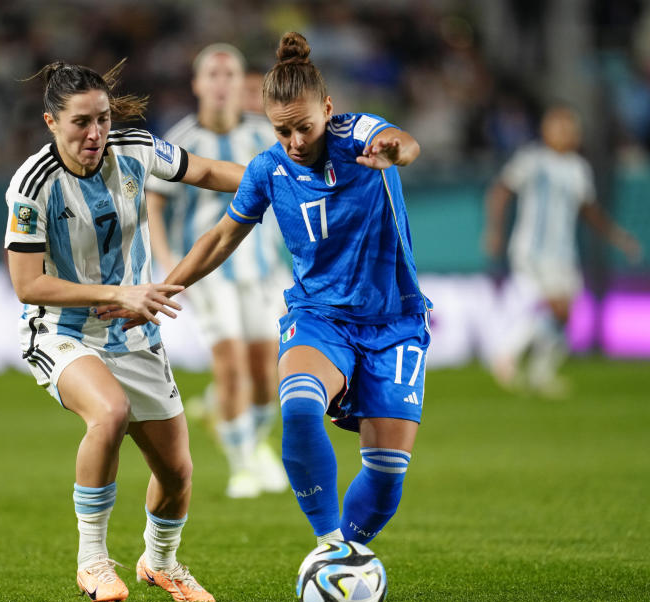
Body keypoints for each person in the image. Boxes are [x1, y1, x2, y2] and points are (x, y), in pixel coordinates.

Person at [103, 32, 430, 549]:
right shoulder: (268, 167)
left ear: (328, 108)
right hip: (319, 315)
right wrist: (165, 289)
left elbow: (407, 143)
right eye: (283, 131)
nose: (296, 141)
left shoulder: (363, 134)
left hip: (395, 322)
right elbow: (220, 237)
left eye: (304, 127)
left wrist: (398, 150)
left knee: (387, 475)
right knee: (297, 405)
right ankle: (328, 546)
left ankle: (350, 546)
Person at [4, 60, 244, 602]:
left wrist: (274, 177)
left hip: (133, 331)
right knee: (108, 413)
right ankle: (92, 561)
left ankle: (161, 564)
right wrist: (119, 294)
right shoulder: (33, 185)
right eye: (80, 123)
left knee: (178, 473)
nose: (95, 134)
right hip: (63, 331)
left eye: (103, 119)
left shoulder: (135, 147)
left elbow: (205, 172)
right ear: (50, 123)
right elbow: (27, 284)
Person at [145, 43, 288, 499]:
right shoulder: (181, 139)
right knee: (230, 366)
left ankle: (248, 437)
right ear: (198, 84)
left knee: (267, 373)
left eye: (231, 74)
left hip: (264, 269)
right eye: (213, 74)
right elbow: (154, 202)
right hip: (207, 272)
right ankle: (242, 463)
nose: (222, 83)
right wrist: (168, 263)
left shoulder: (265, 136)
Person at [484, 105, 642, 397]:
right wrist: (493, 230)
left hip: (563, 252)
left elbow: (589, 210)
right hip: (532, 248)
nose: (566, 134)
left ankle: (540, 373)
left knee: (565, 314)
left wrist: (618, 237)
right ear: (545, 130)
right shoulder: (532, 160)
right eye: (559, 127)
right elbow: (501, 191)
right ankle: (505, 353)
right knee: (554, 306)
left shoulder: (578, 168)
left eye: (570, 128)